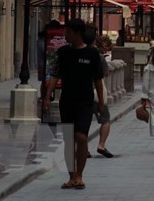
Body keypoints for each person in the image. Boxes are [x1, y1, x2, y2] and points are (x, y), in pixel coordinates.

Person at [43, 18, 104, 190]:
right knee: (69, 139)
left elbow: (98, 80)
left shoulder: (92, 54)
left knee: (81, 137)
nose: (65, 35)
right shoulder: (63, 52)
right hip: (67, 101)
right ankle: (71, 176)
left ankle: (79, 175)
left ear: (78, 34)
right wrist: (47, 97)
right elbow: (55, 75)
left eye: (68, 32)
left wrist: (101, 102)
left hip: (85, 102)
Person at [84, 27, 114, 159]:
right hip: (97, 93)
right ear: (94, 41)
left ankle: (84, 149)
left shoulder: (78, 54)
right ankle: (101, 145)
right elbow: (105, 73)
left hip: (82, 93)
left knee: (84, 122)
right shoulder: (99, 56)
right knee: (105, 119)